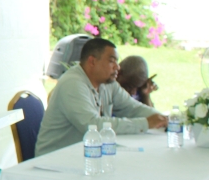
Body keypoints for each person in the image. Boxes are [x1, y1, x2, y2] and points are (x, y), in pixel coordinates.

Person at [35, 38, 167, 157]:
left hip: (86, 154)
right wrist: (145, 123)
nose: (117, 67)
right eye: (112, 61)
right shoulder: (72, 84)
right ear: (92, 61)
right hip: (56, 160)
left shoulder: (107, 83)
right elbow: (92, 125)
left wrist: (163, 119)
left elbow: (132, 108)